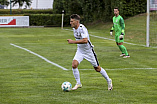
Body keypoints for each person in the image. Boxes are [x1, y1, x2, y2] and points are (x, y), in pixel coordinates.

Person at [67, 14, 113, 90]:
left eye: (72, 21)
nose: (70, 23)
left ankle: (109, 80)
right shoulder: (74, 29)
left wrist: (73, 42)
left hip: (88, 51)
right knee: (74, 65)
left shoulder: (82, 28)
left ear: (77, 22)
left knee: (97, 68)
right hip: (80, 51)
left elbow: (85, 40)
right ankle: (78, 83)